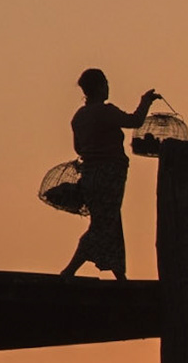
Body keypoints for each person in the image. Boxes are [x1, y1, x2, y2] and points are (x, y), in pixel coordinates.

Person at [59, 69, 159, 280]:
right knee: (103, 225)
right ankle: (70, 270)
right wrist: (146, 101)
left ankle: (119, 274)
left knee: (110, 222)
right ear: (98, 88)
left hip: (89, 176)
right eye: (105, 83)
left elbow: (78, 148)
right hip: (109, 176)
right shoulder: (106, 112)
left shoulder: (79, 117)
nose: (108, 87)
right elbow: (135, 121)